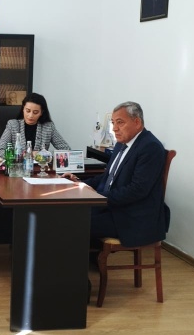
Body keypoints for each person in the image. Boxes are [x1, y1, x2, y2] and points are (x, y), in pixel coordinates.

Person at [64, 101, 170, 247]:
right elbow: (108, 177)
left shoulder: (150, 147)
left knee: (74, 222)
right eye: (113, 123)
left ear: (137, 122)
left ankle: (79, 261)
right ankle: (85, 258)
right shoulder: (122, 143)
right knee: (67, 213)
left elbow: (138, 190)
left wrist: (98, 196)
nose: (114, 128)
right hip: (114, 208)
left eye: (120, 122)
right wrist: (79, 184)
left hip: (132, 217)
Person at [0, 92, 70, 157]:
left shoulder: (48, 127)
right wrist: (24, 155)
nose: (30, 115)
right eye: (28, 111)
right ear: (23, 109)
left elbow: (67, 150)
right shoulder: (13, 125)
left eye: (35, 112)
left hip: (40, 168)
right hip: (18, 167)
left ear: (41, 113)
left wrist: (45, 155)